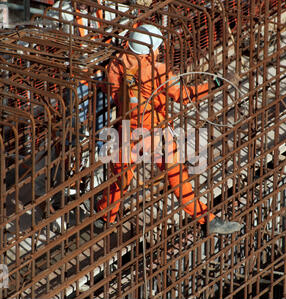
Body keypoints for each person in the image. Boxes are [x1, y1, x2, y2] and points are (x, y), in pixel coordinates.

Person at [96, 24, 243, 235]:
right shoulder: (158, 71)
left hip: (127, 132)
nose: (159, 51)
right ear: (150, 50)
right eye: (157, 48)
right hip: (157, 134)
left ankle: (104, 216)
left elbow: (113, 93)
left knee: (121, 178)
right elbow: (185, 96)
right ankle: (206, 220)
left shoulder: (116, 65)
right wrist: (215, 84)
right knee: (178, 179)